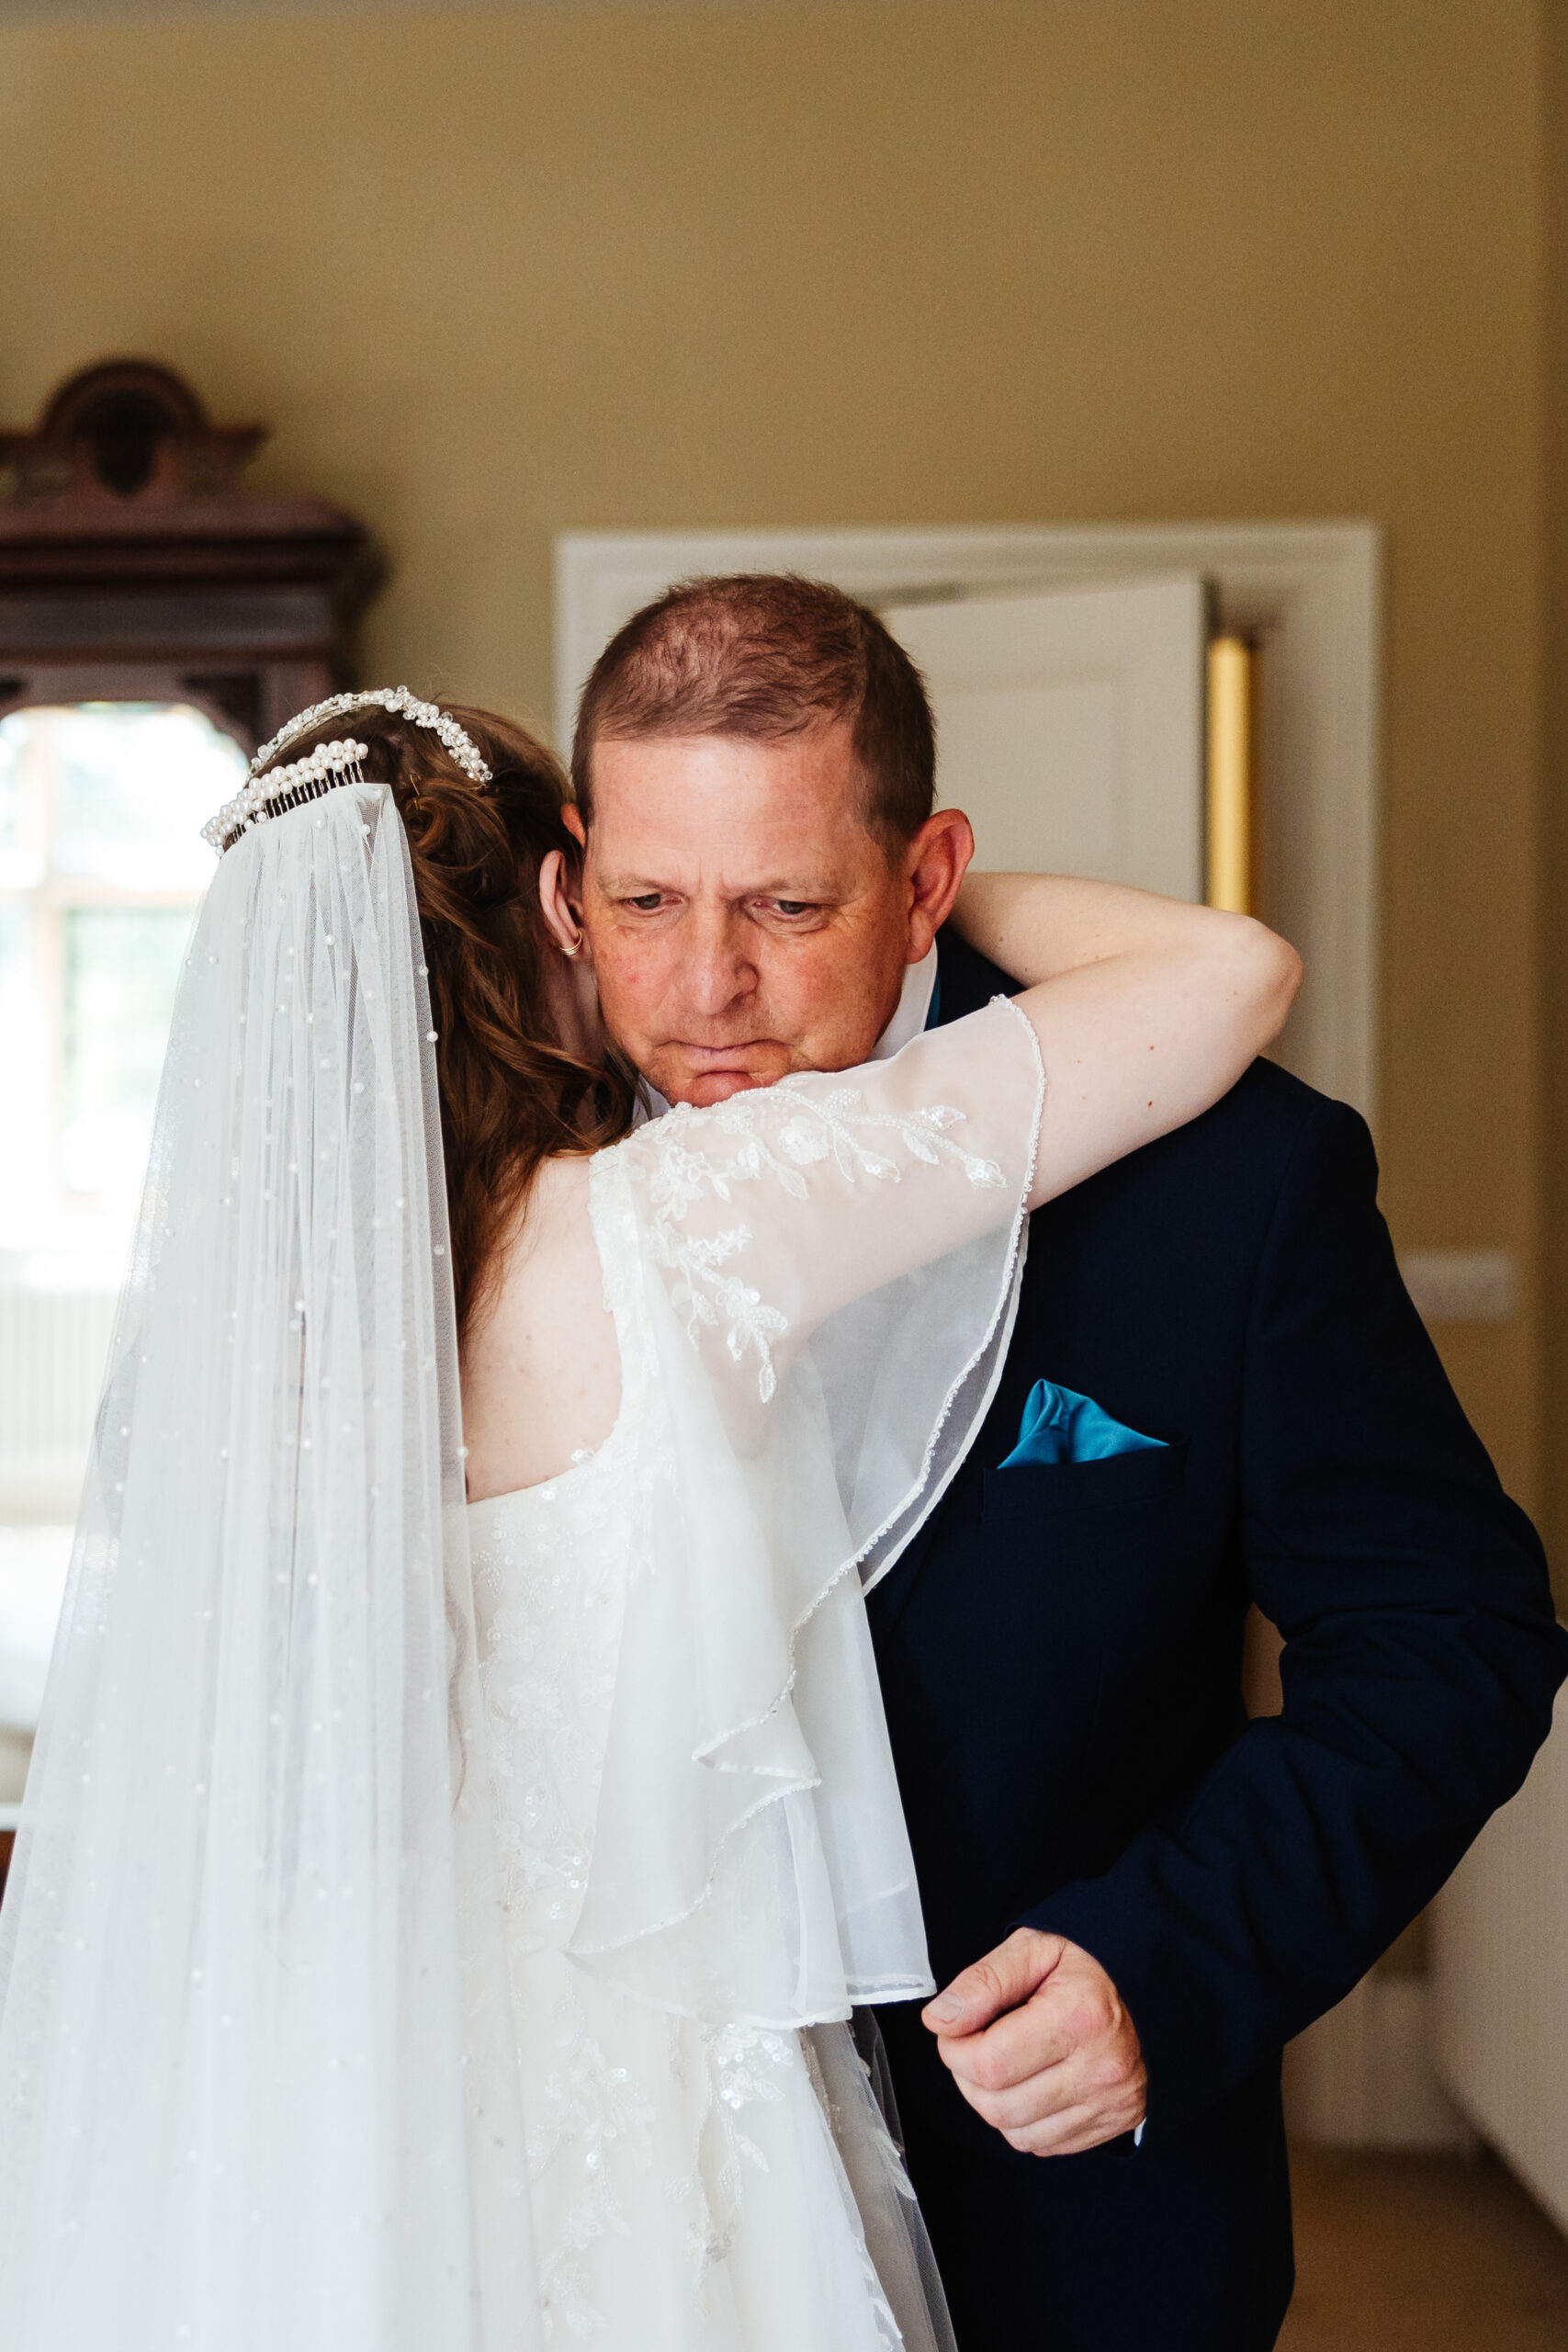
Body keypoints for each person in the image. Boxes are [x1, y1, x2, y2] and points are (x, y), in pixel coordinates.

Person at [0, 685, 1297, 2349]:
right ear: (564, 897)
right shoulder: (683, 1226)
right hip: (648, 2075)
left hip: (330, 2079)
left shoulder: (244, 1351)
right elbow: (1224, 974)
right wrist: (898, 883)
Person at [561, 573, 1568, 2352]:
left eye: (790, 902)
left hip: (1066, 2232)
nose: (705, 987)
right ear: (575, 882)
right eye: (646, 900)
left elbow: (1447, 1636)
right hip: (600, 2221)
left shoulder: (1230, 1183)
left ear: (928, 877)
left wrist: (1161, 1954)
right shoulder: (500, 1172)